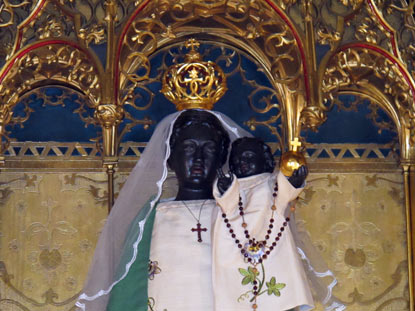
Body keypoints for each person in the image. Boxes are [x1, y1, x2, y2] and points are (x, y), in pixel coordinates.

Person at [76, 109, 251, 310]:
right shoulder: (152, 216)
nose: (199, 158)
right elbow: (133, 283)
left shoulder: (237, 214)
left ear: (221, 159)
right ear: (170, 157)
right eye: (188, 148)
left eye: (209, 149)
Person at [213, 137, 314, 310]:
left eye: (248, 157)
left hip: (273, 251)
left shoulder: (271, 183)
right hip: (234, 252)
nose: (241, 162)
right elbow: (227, 208)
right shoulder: (232, 185)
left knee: (278, 297)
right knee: (236, 294)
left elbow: (286, 192)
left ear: (265, 160)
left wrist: (294, 181)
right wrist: (224, 190)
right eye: (236, 159)